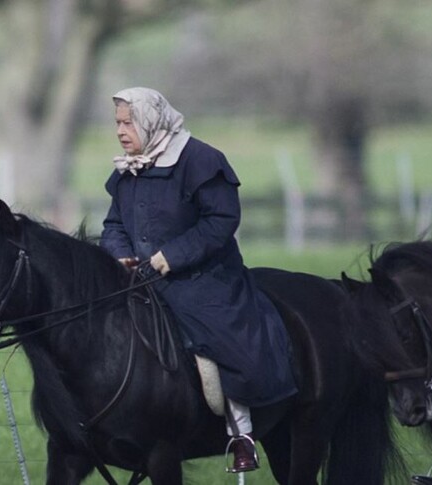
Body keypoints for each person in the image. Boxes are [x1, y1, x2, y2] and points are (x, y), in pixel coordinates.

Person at [100, 87, 297, 473]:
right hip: (139, 280)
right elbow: (113, 225)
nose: (121, 131)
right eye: (118, 123)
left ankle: (241, 433)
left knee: (221, 341)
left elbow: (220, 222)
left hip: (204, 279)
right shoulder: (128, 168)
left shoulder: (202, 161)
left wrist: (170, 257)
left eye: (128, 122)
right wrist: (119, 254)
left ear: (150, 119)